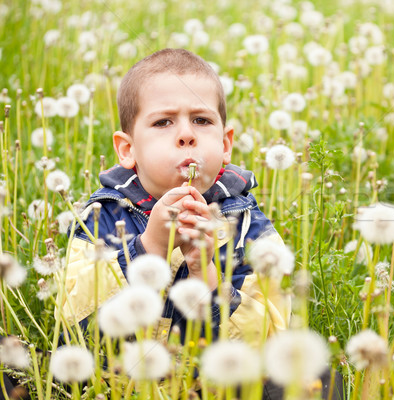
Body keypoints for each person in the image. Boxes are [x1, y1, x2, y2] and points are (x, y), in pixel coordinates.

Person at [60, 48, 290, 345]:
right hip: (115, 383)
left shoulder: (249, 227)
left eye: (201, 121)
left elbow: (269, 338)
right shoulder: (100, 218)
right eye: (163, 122)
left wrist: (205, 272)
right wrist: (148, 248)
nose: (186, 134)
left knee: (318, 381)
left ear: (225, 144)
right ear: (127, 150)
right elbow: (72, 320)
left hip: (214, 385)